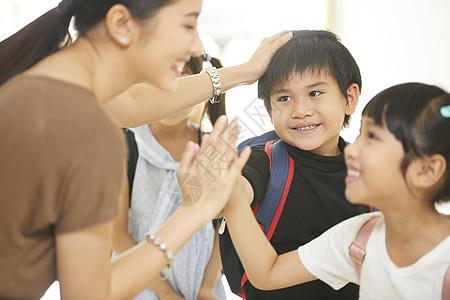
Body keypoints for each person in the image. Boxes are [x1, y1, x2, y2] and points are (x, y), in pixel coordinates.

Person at [0, 0, 291, 298]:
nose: (197, 44)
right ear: (122, 24)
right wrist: (196, 211)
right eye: (188, 24)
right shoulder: (90, 128)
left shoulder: (40, 84)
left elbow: (139, 104)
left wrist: (244, 72)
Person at [222, 82, 450, 299]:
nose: (351, 151)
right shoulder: (359, 238)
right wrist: (233, 199)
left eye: (372, 137)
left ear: (426, 170)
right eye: (360, 134)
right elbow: (268, 274)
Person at [219, 30, 371, 299]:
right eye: (284, 98)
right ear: (269, 111)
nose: (300, 110)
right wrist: (222, 185)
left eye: (314, 93)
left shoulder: (370, 172)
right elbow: (236, 187)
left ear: (349, 98)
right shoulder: (264, 159)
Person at [113, 55, 227, 300]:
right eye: (158, 84)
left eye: (181, 84)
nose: (169, 95)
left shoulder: (209, 145)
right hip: (139, 288)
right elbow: (116, 235)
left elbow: (222, 227)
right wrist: (166, 293)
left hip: (200, 287)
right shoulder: (126, 142)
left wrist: (206, 286)